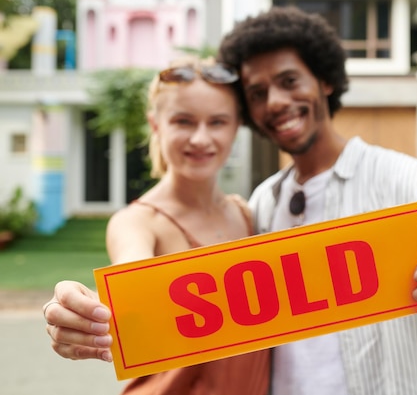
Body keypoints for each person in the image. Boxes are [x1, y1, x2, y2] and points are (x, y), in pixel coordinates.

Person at [44, 7, 417, 395]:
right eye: (257, 92)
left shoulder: (400, 176)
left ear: (326, 81)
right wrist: (85, 315)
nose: (274, 101)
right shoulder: (263, 202)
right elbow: (136, 291)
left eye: (289, 81)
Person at [44, 55, 269, 395]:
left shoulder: (248, 214)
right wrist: (81, 310)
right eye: (184, 121)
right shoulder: (138, 221)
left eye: (218, 122)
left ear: (236, 127)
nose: (201, 138)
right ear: (156, 125)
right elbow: (131, 283)